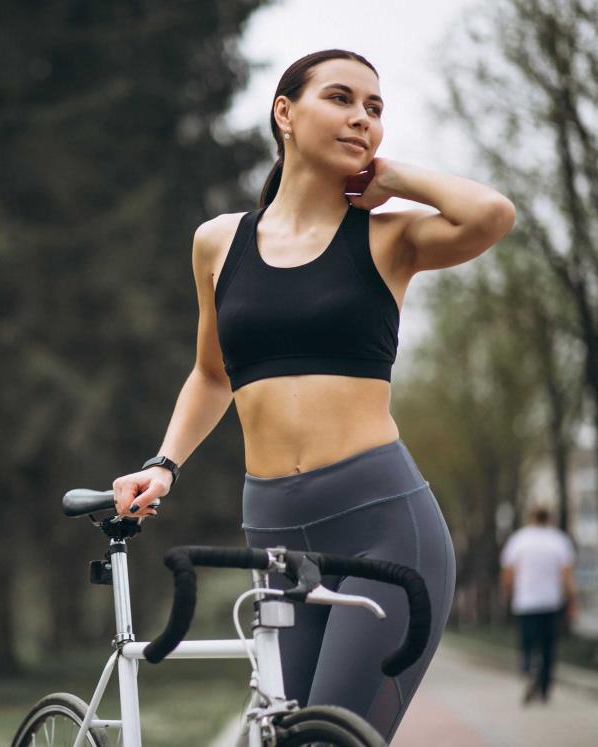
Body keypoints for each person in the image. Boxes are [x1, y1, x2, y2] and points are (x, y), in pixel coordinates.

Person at [110, 49, 516, 743]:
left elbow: (492, 214)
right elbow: (213, 374)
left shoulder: (391, 239)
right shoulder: (218, 242)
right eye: (341, 98)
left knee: (328, 737)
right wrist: (165, 462)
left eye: (375, 108)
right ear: (285, 113)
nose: (361, 117)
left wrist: (393, 176)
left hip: (384, 530)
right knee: (282, 734)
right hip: (273, 535)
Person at [499, 504, 578, 705]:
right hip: (551, 602)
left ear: (531, 517)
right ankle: (544, 689)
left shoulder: (519, 540)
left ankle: (528, 669)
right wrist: (572, 602)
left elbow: (508, 573)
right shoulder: (559, 541)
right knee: (548, 646)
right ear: (549, 518)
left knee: (527, 642)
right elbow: (567, 576)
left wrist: (507, 595)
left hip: (525, 602)